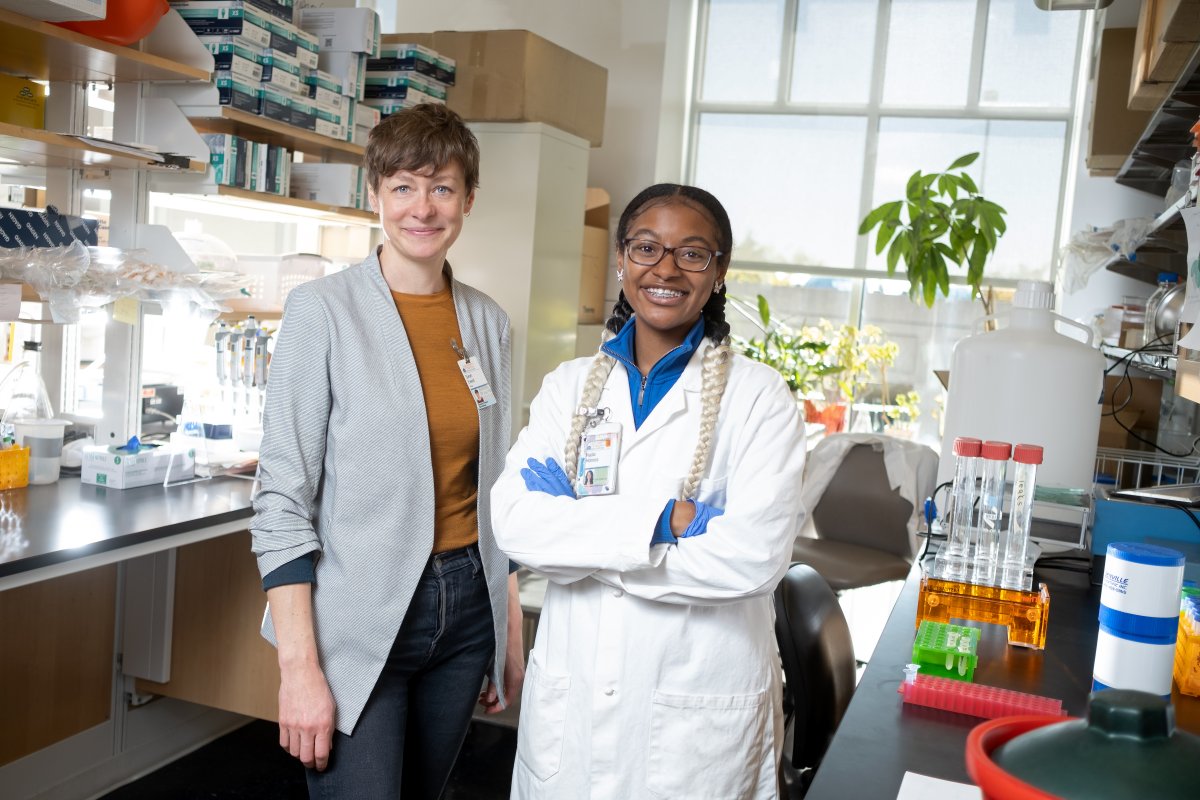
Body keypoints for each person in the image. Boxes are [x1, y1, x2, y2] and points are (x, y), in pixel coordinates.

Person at [491, 183, 807, 798]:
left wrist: (582, 540)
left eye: (692, 253)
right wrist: (667, 522)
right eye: (646, 247)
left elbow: (751, 561)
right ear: (620, 259)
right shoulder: (567, 386)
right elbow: (516, 526)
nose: (665, 268)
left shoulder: (760, 398)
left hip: (696, 715)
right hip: (574, 703)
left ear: (719, 273)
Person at [250, 103, 524, 800]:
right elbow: (281, 499)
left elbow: (498, 484)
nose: (422, 208)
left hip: (467, 610)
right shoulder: (322, 311)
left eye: (442, 187)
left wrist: (505, 620)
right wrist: (298, 668)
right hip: (357, 609)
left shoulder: (488, 321)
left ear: (467, 199)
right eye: (403, 186)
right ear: (374, 196)